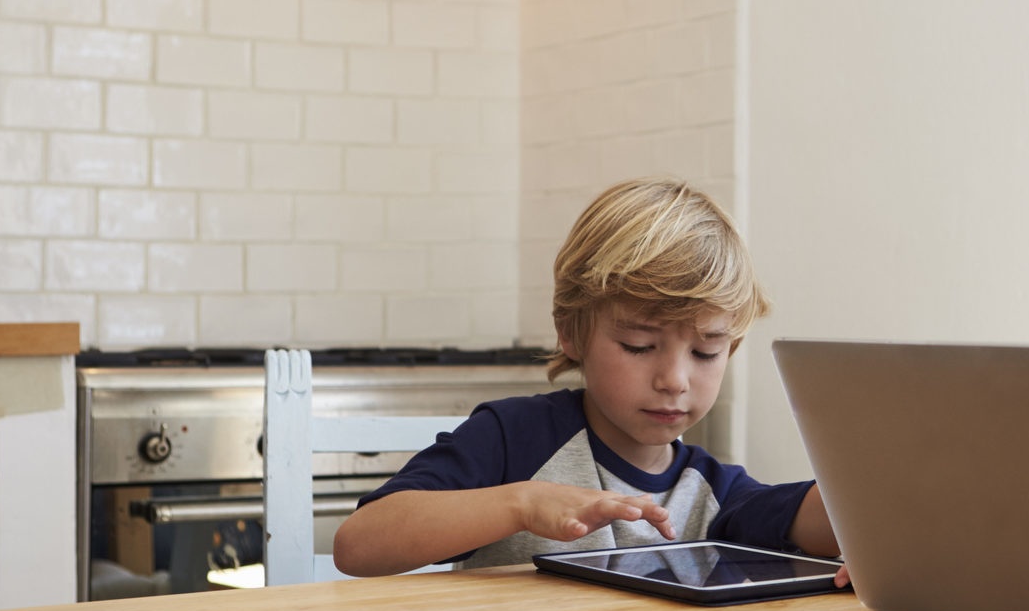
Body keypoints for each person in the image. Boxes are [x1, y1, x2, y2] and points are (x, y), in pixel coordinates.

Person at [333, 177, 840, 576]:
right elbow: (359, 546)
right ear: (571, 334)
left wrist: (871, 553)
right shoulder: (516, 439)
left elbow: (833, 517)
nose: (674, 379)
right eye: (639, 346)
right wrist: (521, 503)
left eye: (707, 352)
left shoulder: (717, 492)